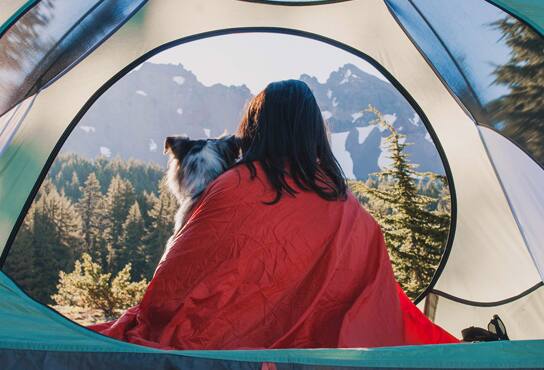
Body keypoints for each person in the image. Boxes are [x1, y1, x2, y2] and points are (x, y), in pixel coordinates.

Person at [89, 80, 458, 349]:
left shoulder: (232, 188)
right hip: (325, 353)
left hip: (227, 350)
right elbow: (373, 296)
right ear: (314, 132)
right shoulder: (343, 201)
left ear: (254, 128)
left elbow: (168, 292)